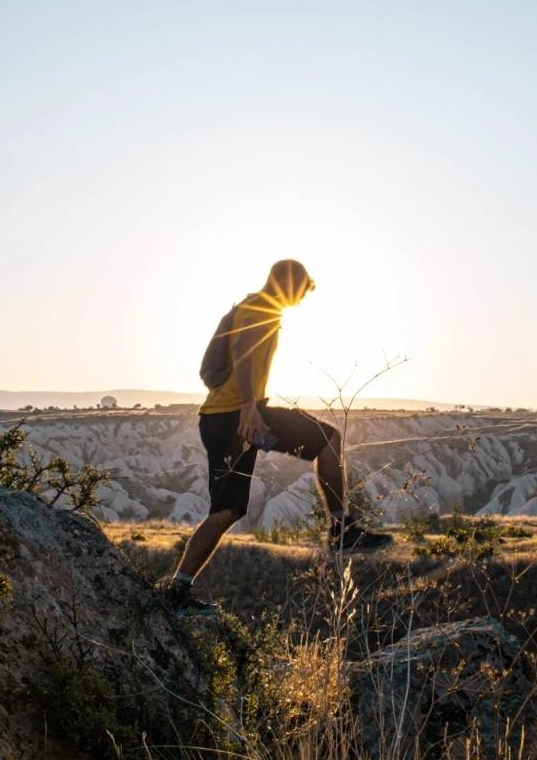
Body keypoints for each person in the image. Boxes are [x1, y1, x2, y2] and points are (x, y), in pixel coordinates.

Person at [166, 259, 392, 617]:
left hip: (225, 417)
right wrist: (248, 407)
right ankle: (342, 530)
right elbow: (242, 349)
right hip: (234, 417)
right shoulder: (261, 308)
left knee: (228, 510)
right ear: (289, 284)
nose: (300, 300)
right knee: (327, 438)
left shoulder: (249, 304)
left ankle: (177, 590)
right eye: (301, 292)